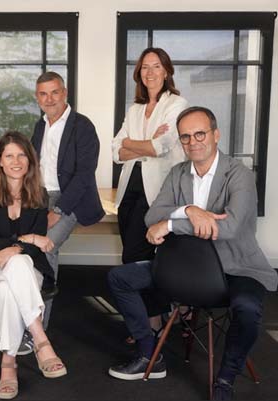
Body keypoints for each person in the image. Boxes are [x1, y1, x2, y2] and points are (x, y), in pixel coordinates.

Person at [107, 107, 278, 400]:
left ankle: (225, 379)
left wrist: (172, 223)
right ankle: (149, 354)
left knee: (248, 309)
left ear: (216, 134)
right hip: (182, 266)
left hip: (234, 267)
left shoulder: (239, 175)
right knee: (120, 278)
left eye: (200, 134)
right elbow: (151, 216)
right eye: (185, 137)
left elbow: (229, 228)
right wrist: (190, 210)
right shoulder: (178, 173)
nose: (193, 142)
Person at [0, 131, 67, 399]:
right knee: (18, 263)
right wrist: (27, 240)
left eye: (22, 155)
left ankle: (8, 364)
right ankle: (40, 339)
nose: (16, 161)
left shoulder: (39, 195)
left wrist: (16, 247)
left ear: (30, 161)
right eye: (9, 156)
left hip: (25, 269)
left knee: (10, 286)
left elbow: (34, 248)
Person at [21, 71, 104, 353]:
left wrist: (58, 209)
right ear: (37, 98)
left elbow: (84, 175)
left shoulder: (83, 126)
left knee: (46, 247)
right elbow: (33, 167)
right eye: (43, 94)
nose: (49, 99)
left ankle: (38, 330)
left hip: (71, 199)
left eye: (54, 92)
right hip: (39, 197)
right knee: (20, 246)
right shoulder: (40, 126)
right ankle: (20, 312)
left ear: (65, 93)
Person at [111, 47, 189, 337]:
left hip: (157, 189)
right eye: (145, 67)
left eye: (156, 66)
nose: (150, 72)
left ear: (166, 71)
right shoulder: (134, 109)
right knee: (132, 256)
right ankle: (164, 310)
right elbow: (116, 151)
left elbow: (162, 146)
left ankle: (153, 321)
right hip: (129, 187)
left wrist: (132, 143)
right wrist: (141, 143)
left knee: (138, 254)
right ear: (139, 73)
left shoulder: (177, 104)